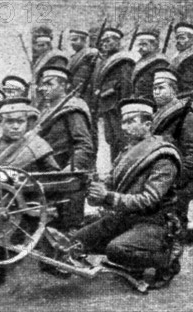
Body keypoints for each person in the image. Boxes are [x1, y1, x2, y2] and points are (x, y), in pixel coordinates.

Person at [67, 98, 183, 289]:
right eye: (123, 122)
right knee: (76, 242)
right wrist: (95, 189)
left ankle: (167, 258)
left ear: (147, 124)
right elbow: (110, 183)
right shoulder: (127, 151)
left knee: (116, 249)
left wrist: (107, 197)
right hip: (126, 217)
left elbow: (149, 200)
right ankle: (134, 257)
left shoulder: (163, 156)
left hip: (154, 221)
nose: (124, 127)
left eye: (131, 121)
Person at [36, 66, 94, 231]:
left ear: (64, 86)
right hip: (48, 176)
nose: (43, 88)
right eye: (42, 84)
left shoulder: (72, 109)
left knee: (69, 231)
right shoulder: (47, 109)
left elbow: (84, 145)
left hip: (67, 179)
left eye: (49, 84)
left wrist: (69, 172)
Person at [151, 68, 193, 229]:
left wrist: (172, 179)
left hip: (181, 181)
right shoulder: (158, 114)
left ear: (174, 90)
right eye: (154, 88)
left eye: (161, 88)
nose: (156, 92)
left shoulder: (186, 115)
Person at [87, 27, 135, 163]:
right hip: (106, 106)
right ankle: (115, 168)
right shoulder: (103, 60)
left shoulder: (124, 60)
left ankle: (123, 167)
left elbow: (126, 85)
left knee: (121, 139)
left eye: (108, 40)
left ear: (117, 41)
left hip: (117, 107)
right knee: (111, 139)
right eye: (102, 42)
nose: (104, 44)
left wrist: (124, 106)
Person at [0, 97, 59, 171]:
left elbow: (55, 178)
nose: (15, 126)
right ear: (0, 122)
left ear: (27, 123)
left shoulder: (37, 145)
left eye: (20, 121)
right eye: (10, 121)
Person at [132, 29, 170, 102]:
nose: (140, 47)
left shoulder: (160, 62)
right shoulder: (141, 60)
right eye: (139, 44)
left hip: (150, 101)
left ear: (154, 45)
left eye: (144, 44)